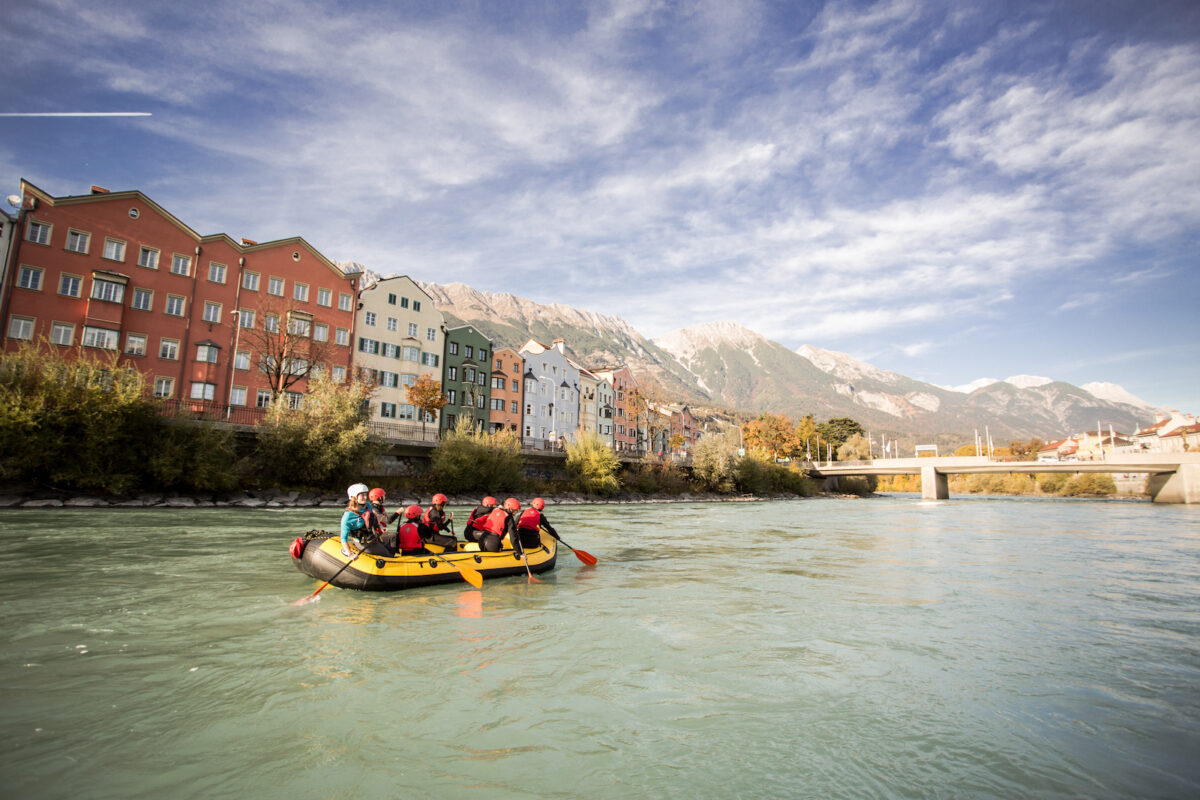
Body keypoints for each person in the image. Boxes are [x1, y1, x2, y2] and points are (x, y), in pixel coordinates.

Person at [340, 483, 383, 557]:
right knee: (388, 554)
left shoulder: (368, 506)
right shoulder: (347, 516)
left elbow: (374, 520)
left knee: (390, 550)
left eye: (366, 494)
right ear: (354, 497)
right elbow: (343, 538)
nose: (365, 497)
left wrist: (381, 527)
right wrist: (350, 554)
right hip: (361, 543)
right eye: (362, 495)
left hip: (372, 539)